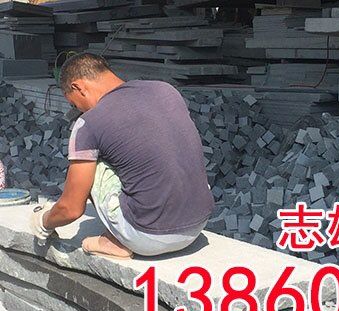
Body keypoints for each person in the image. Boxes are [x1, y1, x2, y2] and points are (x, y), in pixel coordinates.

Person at [29, 53, 214, 259]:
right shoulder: (166, 90)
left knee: (92, 162)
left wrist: (44, 222)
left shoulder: (89, 123)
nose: (79, 110)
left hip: (146, 237)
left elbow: (71, 209)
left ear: (78, 87)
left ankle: (116, 240)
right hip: (197, 226)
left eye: (74, 104)